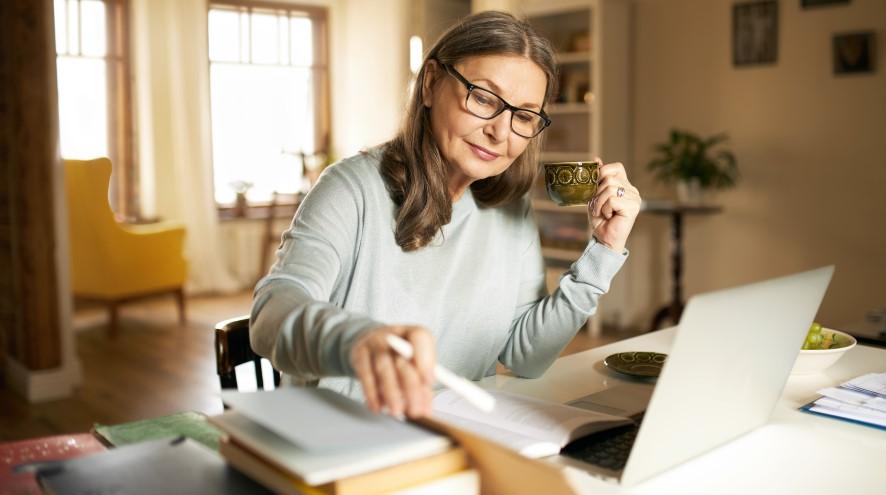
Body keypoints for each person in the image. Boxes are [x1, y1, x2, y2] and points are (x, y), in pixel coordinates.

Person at [250, 11, 641, 420]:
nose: (501, 132)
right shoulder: (351, 189)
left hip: (457, 434)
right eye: (485, 98)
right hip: (345, 439)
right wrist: (356, 340)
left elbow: (528, 356)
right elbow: (270, 314)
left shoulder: (510, 208)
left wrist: (604, 250)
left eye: (524, 116)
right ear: (432, 84)